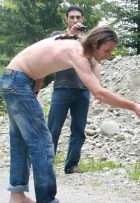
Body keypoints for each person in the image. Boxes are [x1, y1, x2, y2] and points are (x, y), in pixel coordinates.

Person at [0, 26, 140, 203]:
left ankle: (17, 195)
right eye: (107, 50)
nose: (109, 55)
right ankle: (47, 201)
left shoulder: (74, 45)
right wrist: (134, 106)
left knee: (20, 140)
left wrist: (36, 90)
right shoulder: (77, 52)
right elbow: (98, 92)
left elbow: (39, 67)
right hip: (19, 81)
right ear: (95, 44)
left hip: (14, 79)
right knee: (42, 140)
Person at [48, 6, 89, 174]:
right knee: (53, 128)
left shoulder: (86, 40)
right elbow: (54, 51)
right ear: (66, 19)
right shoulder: (57, 36)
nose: (75, 20)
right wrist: (72, 34)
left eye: (78, 17)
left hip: (82, 89)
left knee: (79, 128)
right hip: (61, 88)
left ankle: (72, 165)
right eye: (71, 17)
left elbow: (93, 61)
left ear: (83, 19)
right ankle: (46, 164)